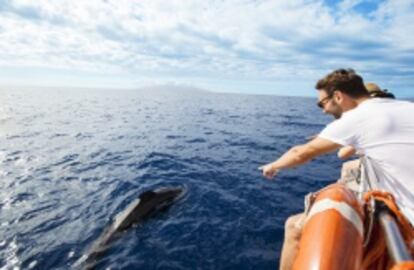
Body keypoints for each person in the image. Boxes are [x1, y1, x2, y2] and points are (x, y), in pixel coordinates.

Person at [259, 69, 414, 270]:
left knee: (294, 227)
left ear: (338, 96)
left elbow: (301, 153)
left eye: (322, 103)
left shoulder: (358, 117)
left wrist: (272, 166)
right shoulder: (406, 107)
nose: (323, 110)